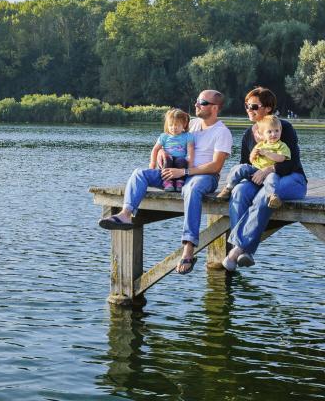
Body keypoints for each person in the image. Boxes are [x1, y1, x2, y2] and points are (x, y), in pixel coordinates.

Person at [99, 89, 233, 274]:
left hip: (204, 177)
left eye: (201, 102)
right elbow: (169, 141)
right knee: (140, 173)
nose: (196, 104)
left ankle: (188, 248)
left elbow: (216, 166)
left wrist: (184, 171)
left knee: (192, 189)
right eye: (196, 101)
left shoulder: (222, 132)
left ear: (215, 108)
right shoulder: (190, 125)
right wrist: (162, 152)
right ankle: (126, 214)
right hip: (175, 172)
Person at [221, 87, 307, 271]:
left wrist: (269, 169)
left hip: (292, 179)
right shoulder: (247, 134)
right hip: (259, 180)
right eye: (246, 106)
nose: (248, 110)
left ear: (268, 108)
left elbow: (292, 164)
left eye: (253, 106)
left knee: (264, 197)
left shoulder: (283, 128)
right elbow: (247, 165)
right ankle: (246, 251)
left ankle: (236, 251)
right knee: (239, 191)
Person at [216, 114, 290, 209]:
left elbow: (281, 158)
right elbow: (251, 160)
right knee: (240, 168)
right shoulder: (260, 145)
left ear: (281, 131)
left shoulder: (281, 146)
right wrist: (253, 155)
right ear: (263, 134)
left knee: (272, 179)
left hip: (269, 171)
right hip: (255, 169)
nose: (273, 134)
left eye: (277, 131)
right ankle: (228, 187)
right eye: (269, 132)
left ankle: (273, 196)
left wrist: (267, 153)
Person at [149, 108, 194, 192]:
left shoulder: (188, 136)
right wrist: (152, 163)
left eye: (177, 125)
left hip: (179, 160)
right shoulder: (164, 136)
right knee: (167, 158)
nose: (174, 128)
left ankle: (179, 182)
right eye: (171, 125)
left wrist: (190, 166)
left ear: (184, 124)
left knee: (182, 161)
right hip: (167, 159)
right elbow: (155, 150)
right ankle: (167, 182)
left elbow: (190, 150)